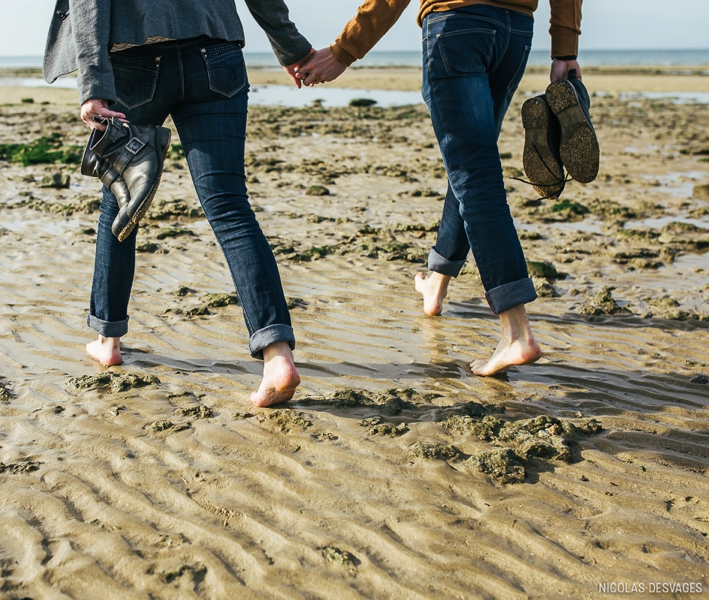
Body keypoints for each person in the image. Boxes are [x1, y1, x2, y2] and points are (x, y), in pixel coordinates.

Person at [42, 0, 314, 406]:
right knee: (229, 205)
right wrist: (293, 49)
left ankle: (108, 339)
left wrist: (93, 85)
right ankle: (277, 356)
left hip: (134, 59)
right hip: (215, 54)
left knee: (118, 200)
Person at [296, 0, 584, 376]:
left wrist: (345, 49)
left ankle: (517, 332)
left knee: (473, 172)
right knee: (470, 161)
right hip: (514, 31)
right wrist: (565, 46)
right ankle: (437, 280)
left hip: (458, 25)